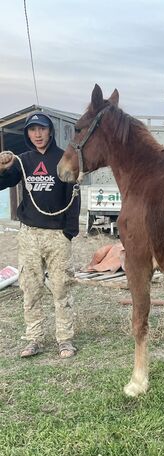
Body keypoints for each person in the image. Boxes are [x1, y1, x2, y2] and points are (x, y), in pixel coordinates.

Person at [0, 112, 80, 358]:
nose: (37, 134)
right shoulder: (23, 160)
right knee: (31, 288)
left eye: (42, 129)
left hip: (57, 235)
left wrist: (69, 231)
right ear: (28, 133)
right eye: (32, 129)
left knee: (61, 288)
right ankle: (33, 338)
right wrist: (2, 168)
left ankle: (64, 339)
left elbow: (73, 196)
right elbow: (3, 183)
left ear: (50, 131)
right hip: (30, 235)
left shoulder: (63, 159)